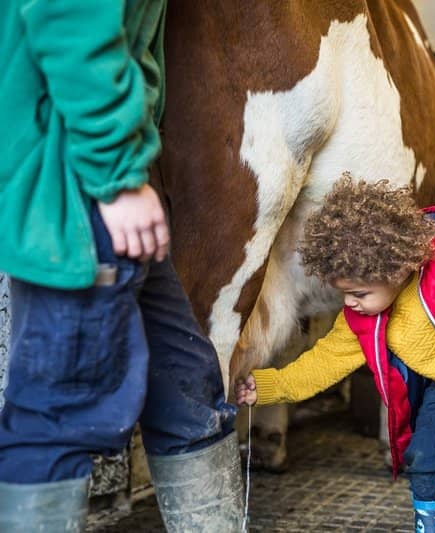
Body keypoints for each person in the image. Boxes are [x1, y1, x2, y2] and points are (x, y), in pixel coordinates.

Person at [0, 3, 243, 531]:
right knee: (55, 411)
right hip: (74, 184)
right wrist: (117, 176)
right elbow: (67, 18)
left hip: (108, 176)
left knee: (187, 385)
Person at [235, 174, 435, 532]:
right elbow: (323, 363)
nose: (349, 303)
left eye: (359, 293)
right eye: (343, 293)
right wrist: (267, 386)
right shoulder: (363, 318)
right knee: (424, 459)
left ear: (397, 269)